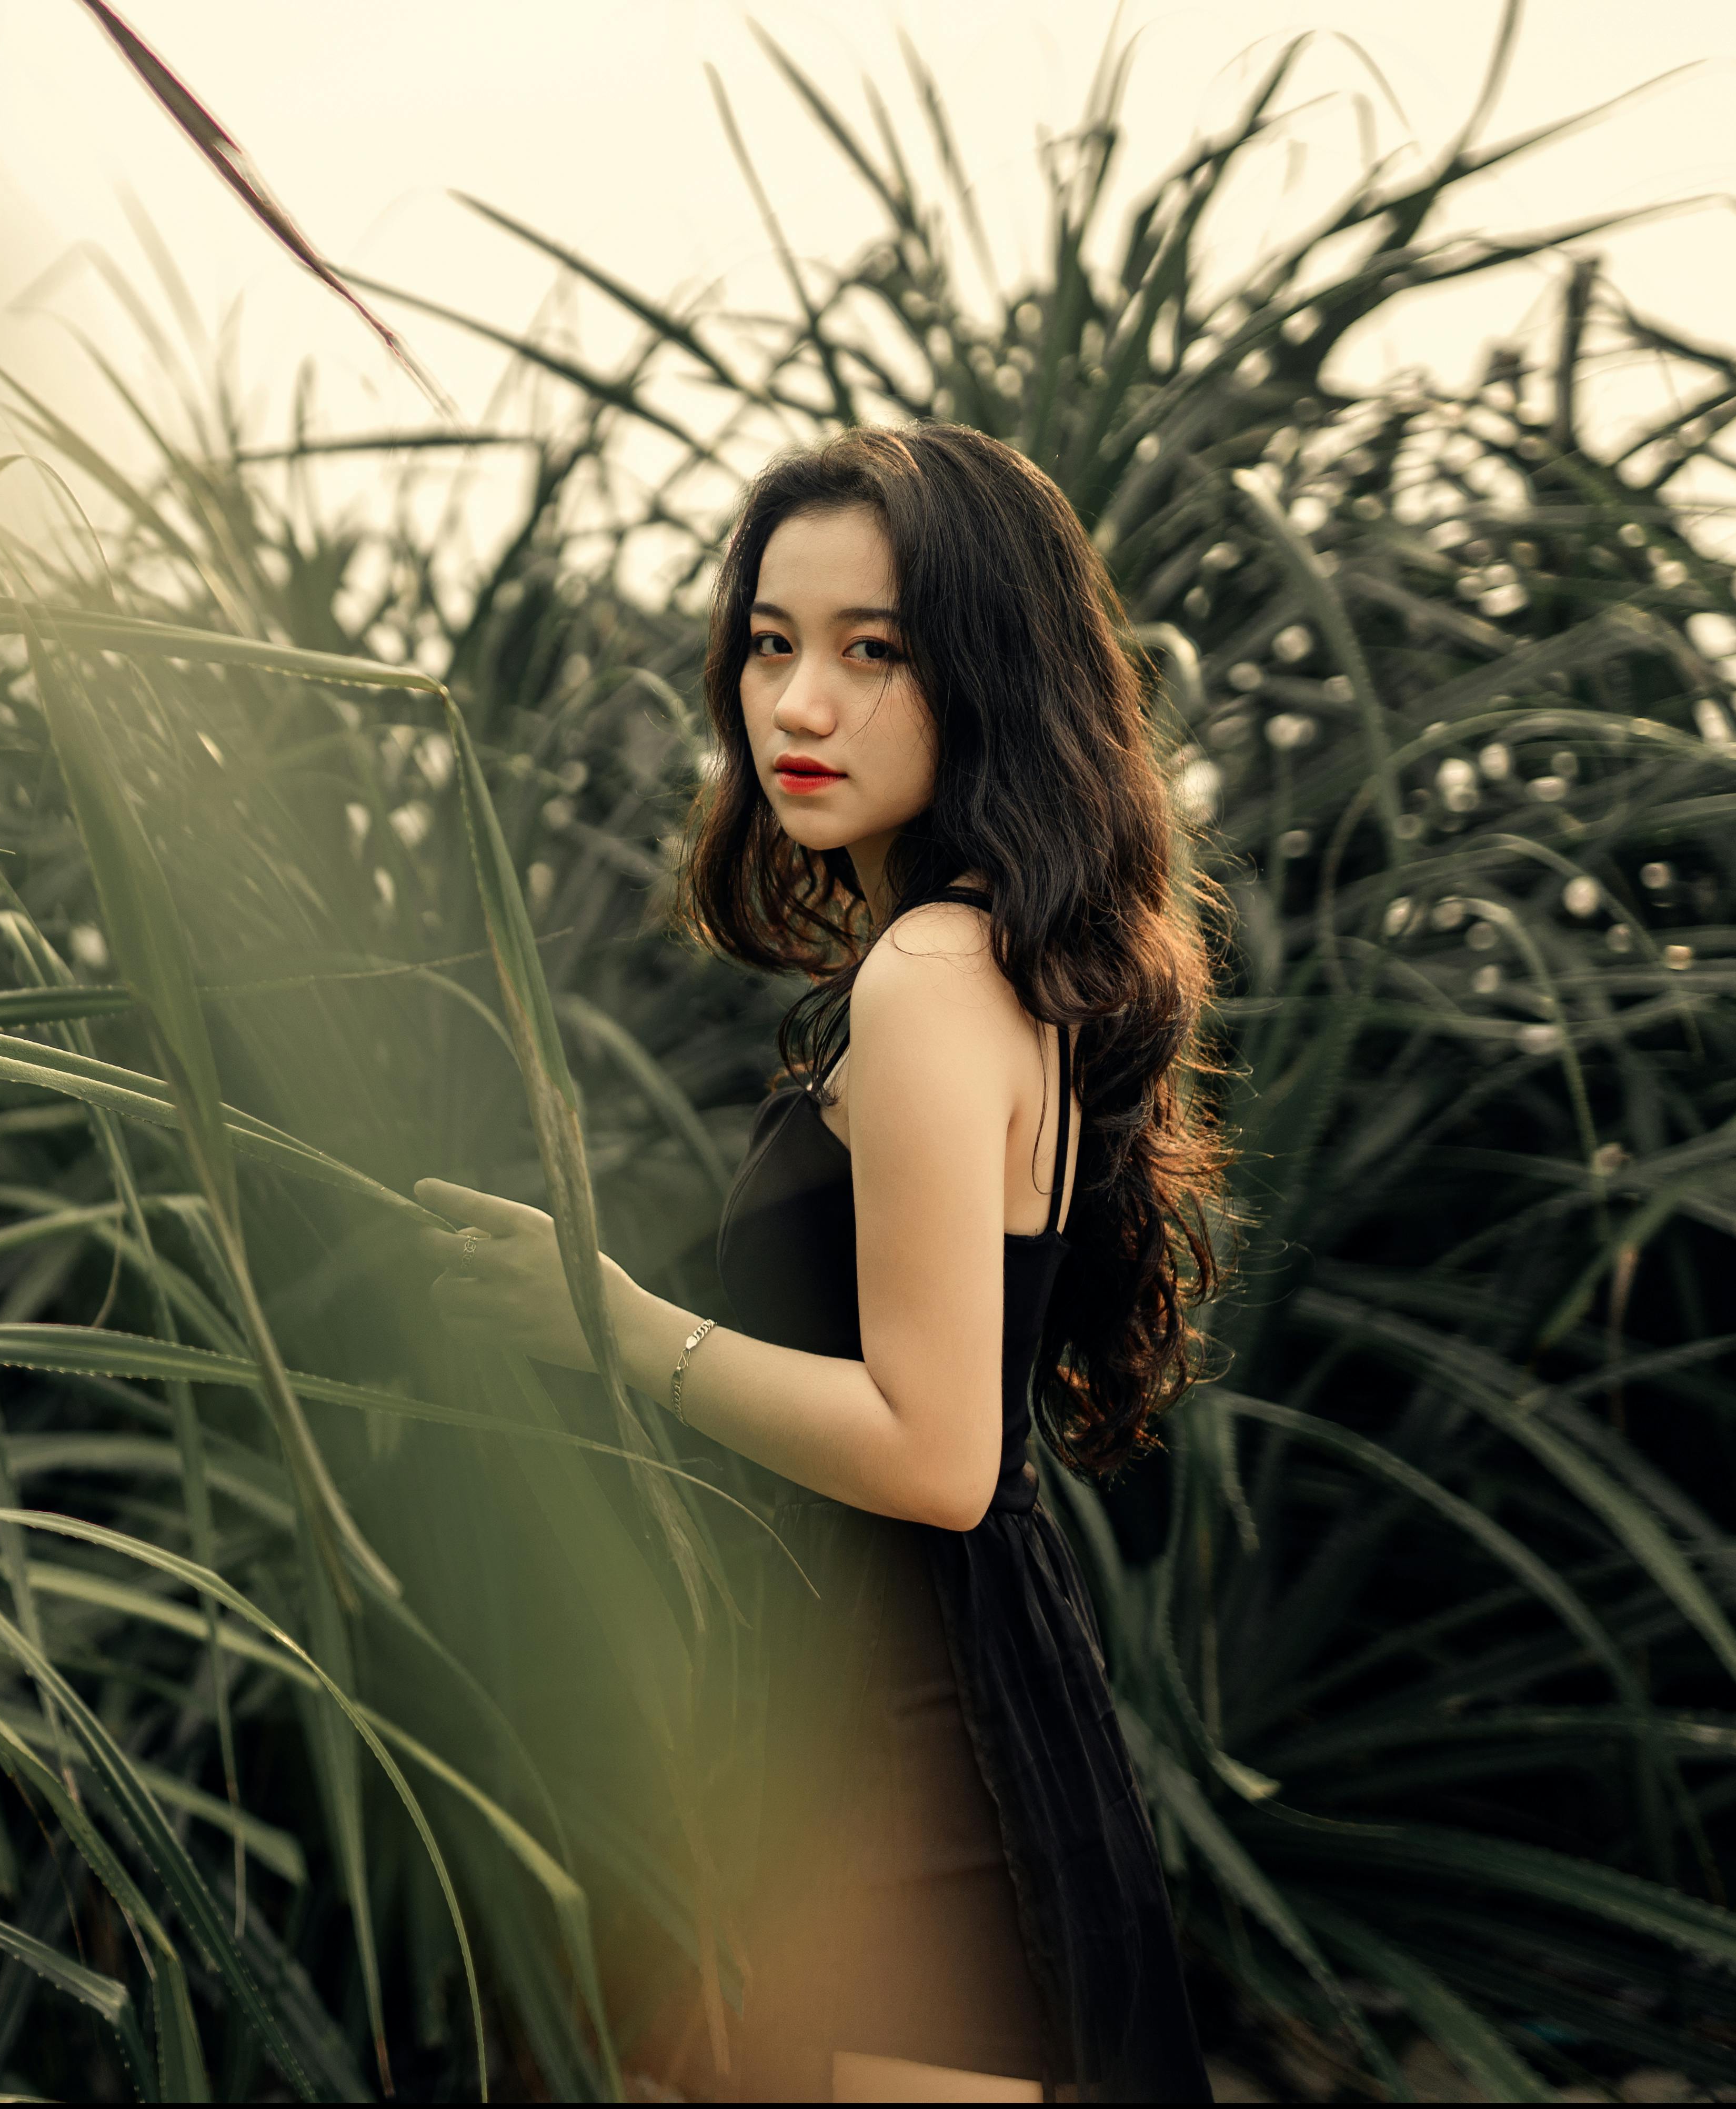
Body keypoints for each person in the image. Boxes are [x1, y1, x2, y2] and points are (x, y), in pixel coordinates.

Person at [419, 424, 1221, 2103]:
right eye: (772, 646)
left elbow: (940, 1456)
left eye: (877, 654)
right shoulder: (989, 957)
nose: (796, 707)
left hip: (917, 1764)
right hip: (902, 1724)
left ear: (991, 675)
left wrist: (613, 1325)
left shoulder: (933, 975)